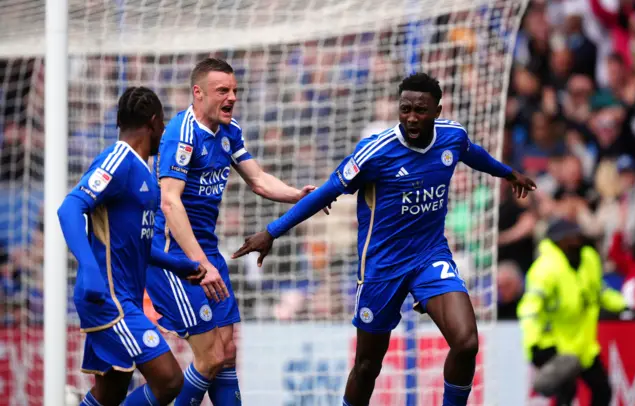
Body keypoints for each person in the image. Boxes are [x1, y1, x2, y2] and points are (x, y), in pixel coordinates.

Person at [233, 72, 537, 406]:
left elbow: (473, 152)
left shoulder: (452, 136)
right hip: (381, 267)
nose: (410, 117)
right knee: (367, 366)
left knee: (466, 342)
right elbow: (325, 193)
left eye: (420, 110)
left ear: (437, 109)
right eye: (404, 108)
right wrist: (272, 232)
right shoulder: (375, 153)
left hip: (429, 256)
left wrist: (507, 173)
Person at [146, 58, 326, 406]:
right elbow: (170, 203)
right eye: (222, 91)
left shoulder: (230, 131)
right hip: (175, 257)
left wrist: (298, 195)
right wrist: (200, 264)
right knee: (210, 357)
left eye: (234, 91)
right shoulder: (180, 136)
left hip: (207, 253)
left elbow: (258, 180)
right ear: (198, 94)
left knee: (227, 352)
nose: (231, 98)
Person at [58, 87, 207, 406]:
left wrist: (175, 264)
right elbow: (69, 208)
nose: (164, 132)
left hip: (124, 297)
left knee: (109, 397)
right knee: (169, 381)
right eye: (163, 125)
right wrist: (88, 267)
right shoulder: (119, 160)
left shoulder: (144, 174)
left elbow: (132, 243)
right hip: (110, 298)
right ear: (153, 123)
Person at [517, 218, 627, 406]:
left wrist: (623, 305)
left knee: (603, 390)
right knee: (566, 394)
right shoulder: (544, 269)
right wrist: (534, 345)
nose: (577, 239)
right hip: (556, 345)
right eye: (572, 236)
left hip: (583, 346)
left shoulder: (589, 258)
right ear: (559, 240)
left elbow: (599, 291)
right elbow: (530, 309)